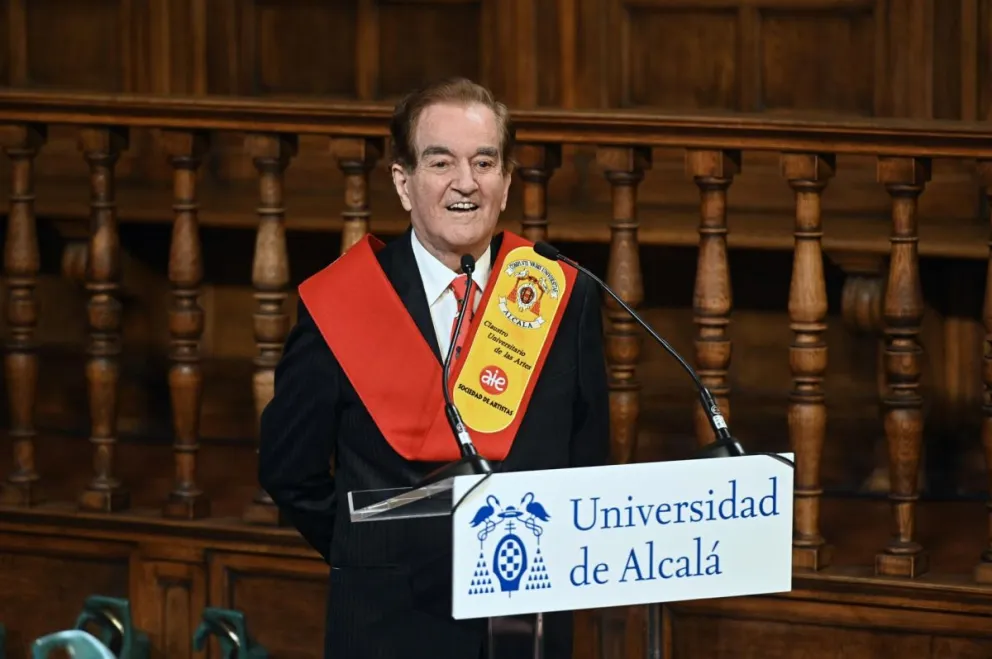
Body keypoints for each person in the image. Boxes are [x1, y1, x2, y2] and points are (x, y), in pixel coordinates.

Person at [258, 77, 610, 659]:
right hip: (388, 621)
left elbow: (586, 460)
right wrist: (374, 552)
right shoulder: (342, 303)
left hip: (528, 619)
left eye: (484, 162)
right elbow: (288, 469)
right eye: (440, 161)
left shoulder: (558, 293)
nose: (465, 183)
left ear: (506, 180)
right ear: (404, 182)